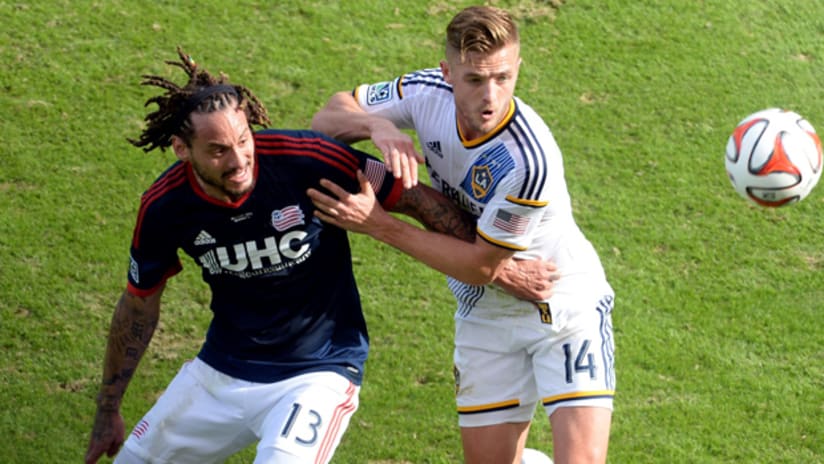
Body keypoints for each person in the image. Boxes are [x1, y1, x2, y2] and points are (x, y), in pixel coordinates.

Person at [84, 47, 557, 464]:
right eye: (218, 151)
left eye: (244, 140)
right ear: (181, 149)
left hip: (317, 372)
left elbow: (416, 199)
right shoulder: (165, 207)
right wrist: (108, 409)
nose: (239, 161)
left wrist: (499, 270)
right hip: (218, 372)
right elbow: (139, 304)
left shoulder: (306, 160)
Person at [309, 6, 615, 464]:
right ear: (447, 72)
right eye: (474, 80)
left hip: (562, 301)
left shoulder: (528, 161)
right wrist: (378, 125)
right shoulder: (423, 91)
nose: (490, 96)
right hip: (486, 312)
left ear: (518, 69)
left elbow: (481, 265)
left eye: (503, 77)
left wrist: (379, 225)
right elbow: (327, 120)